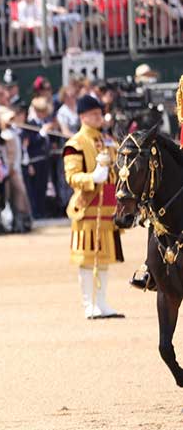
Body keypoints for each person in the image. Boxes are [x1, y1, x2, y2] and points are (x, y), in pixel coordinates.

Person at [63, 94, 124, 320]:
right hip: (87, 206)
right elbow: (71, 176)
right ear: (83, 116)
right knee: (87, 259)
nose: (99, 117)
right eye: (94, 113)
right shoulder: (75, 144)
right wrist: (93, 177)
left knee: (105, 258)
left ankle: (102, 301)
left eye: (100, 113)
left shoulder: (108, 141)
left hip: (108, 206)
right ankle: (89, 303)